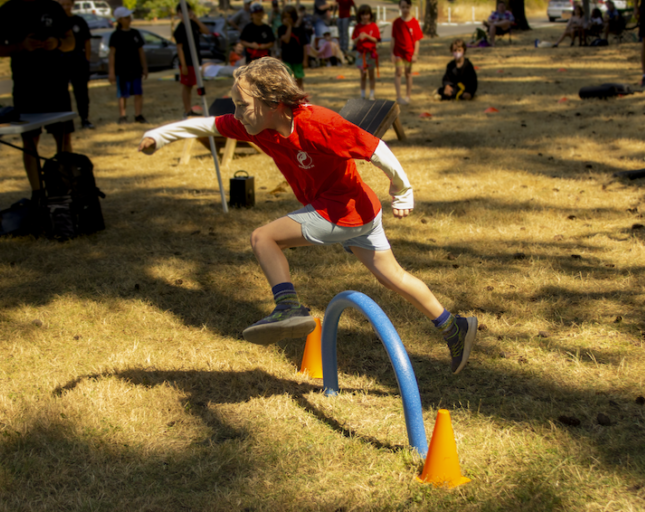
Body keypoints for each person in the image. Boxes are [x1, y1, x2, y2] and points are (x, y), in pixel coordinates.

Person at [138, 57, 478, 375]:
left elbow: (376, 149)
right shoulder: (257, 126)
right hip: (358, 210)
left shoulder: (320, 124)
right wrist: (158, 135)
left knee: (263, 237)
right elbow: (207, 125)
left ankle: (288, 307)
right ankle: (454, 327)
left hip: (343, 210)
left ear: (272, 102)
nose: (237, 113)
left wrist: (403, 191)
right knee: (394, 278)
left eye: (242, 105)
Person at [0, 0, 75, 201]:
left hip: (56, 84)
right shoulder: (7, 11)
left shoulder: (53, 7)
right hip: (26, 86)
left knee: (63, 137)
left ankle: (63, 190)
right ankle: (38, 193)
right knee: (30, 140)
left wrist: (57, 43)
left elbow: (71, 42)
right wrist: (21, 46)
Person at [108, 6, 148, 124]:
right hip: (122, 70)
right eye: (126, 17)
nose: (129, 19)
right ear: (119, 20)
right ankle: (122, 116)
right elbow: (112, 54)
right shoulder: (115, 35)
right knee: (122, 94)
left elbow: (141, 52)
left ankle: (138, 115)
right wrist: (111, 72)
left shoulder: (135, 33)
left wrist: (145, 67)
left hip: (135, 69)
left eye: (129, 17)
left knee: (138, 92)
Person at [58, 0, 94, 129]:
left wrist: (87, 60)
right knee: (61, 92)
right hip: (60, 61)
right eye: (62, 4)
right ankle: (65, 121)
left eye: (68, 4)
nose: (66, 7)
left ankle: (84, 118)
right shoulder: (55, 21)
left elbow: (87, 42)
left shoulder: (79, 21)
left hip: (78, 60)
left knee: (81, 92)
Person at [173, 1, 210, 118]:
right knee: (186, 86)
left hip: (196, 60)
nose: (186, 14)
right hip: (187, 61)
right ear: (179, 14)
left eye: (188, 11)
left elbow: (206, 31)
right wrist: (183, 65)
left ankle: (190, 109)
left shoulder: (193, 24)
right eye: (183, 12)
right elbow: (180, 48)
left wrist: (196, 19)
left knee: (193, 84)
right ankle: (187, 110)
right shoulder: (179, 29)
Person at [391, 0, 422, 105]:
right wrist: (392, 53)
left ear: (410, 7)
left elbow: (417, 40)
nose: (405, 9)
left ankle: (408, 96)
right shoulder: (396, 23)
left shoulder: (414, 22)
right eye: (403, 7)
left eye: (407, 7)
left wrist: (415, 54)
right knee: (398, 72)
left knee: (408, 73)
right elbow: (393, 39)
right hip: (398, 52)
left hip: (409, 52)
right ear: (399, 7)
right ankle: (398, 96)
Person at [351, 4, 379, 100]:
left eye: (367, 14)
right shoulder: (357, 27)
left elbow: (377, 40)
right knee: (363, 75)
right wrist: (359, 37)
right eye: (363, 14)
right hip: (360, 53)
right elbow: (354, 41)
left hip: (370, 53)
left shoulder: (373, 26)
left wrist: (367, 36)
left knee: (371, 74)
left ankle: (372, 93)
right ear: (360, 16)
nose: (365, 17)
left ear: (370, 15)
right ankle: (362, 94)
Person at [278, 5, 309, 89]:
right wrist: (289, 27)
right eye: (285, 17)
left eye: (289, 17)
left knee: (299, 80)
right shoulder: (281, 29)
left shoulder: (300, 29)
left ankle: (302, 98)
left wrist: (305, 60)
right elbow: (286, 40)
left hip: (298, 59)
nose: (287, 19)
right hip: (287, 59)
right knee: (288, 80)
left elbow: (304, 45)